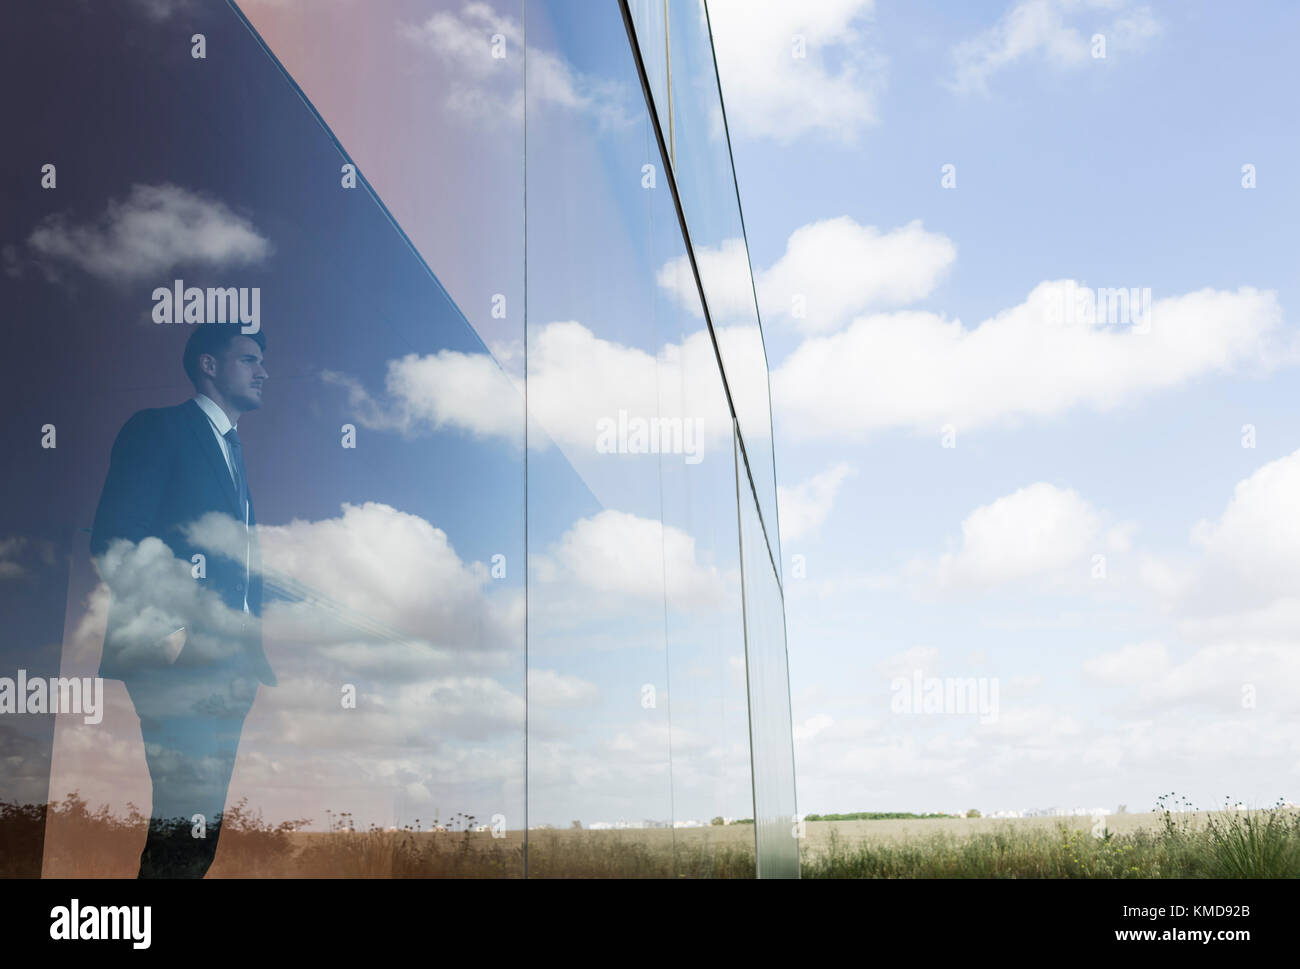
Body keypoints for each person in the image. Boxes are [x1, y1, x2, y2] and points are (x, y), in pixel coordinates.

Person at [90, 323, 274, 877]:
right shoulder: (159, 429)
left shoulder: (233, 454)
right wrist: (169, 633)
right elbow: (118, 538)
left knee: (198, 832)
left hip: (234, 666)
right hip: (183, 659)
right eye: (249, 359)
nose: (264, 371)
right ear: (209, 366)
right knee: (184, 821)